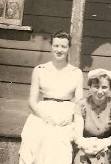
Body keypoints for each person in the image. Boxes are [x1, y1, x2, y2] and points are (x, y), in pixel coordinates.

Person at [19, 30, 83, 164]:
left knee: (59, 144)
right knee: (38, 139)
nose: (59, 50)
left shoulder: (76, 73)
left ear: (68, 48)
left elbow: (79, 103)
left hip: (66, 115)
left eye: (63, 46)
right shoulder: (40, 70)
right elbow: (32, 101)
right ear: (51, 46)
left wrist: (68, 118)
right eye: (56, 46)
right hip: (42, 113)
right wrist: (45, 116)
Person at [73, 68, 111, 164]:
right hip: (86, 147)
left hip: (107, 147)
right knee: (81, 160)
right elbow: (78, 136)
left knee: (101, 160)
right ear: (90, 87)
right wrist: (88, 146)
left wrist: (101, 144)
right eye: (96, 86)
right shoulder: (81, 105)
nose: (100, 91)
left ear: (110, 88)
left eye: (104, 87)